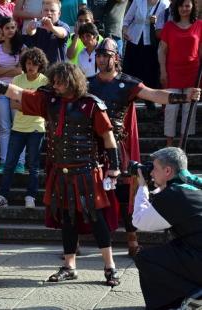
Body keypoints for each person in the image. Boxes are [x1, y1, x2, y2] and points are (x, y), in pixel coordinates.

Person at [0, 62, 121, 286]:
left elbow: (108, 137)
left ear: (72, 81)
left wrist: (114, 166)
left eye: (60, 82)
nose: (56, 85)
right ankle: (69, 266)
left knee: (96, 219)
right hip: (61, 172)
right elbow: (20, 93)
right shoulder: (50, 101)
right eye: (54, 81)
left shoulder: (91, 105)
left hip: (86, 171)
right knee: (67, 219)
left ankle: (110, 266)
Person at [88, 37, 201, 257]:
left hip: (117, 147)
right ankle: (89, 243)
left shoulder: (128, 83)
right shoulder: (87, 83)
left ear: (116, 58)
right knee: (91, 192)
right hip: (91, 146)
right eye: (99, 55)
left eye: (106, 55)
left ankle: (132, 238)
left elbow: (154, 94)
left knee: (122, 192)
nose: (101, 59)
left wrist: (184, 97)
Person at [132, 147, 202, 309]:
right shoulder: (192, 186)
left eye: (155, 169)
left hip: (198, 259)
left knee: (145, 257)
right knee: (172, 248)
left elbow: (139, 221)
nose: (151, 173)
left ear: (168, 170)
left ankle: (194, 293)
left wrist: (142, 185)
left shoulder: (174, 195)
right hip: (196, 252)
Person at [0, 47, 48, 209]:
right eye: (28, 63)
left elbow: (41, 106)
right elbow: (13, 104)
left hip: (37, 128)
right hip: (19, 127)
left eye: (35, 64)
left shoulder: (44, 81)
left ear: (40, 65)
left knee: (33, 166)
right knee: (9, 164)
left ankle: (31, 196)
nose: (31, 67)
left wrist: (25, 104)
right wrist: (31, 105)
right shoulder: (17, 79)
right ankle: (2, 196)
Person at [158, 0, 201, 147]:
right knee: (171, 108)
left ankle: (182, 146)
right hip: (172, 72)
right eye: (181, 6)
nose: (184, 9)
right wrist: (163, 71)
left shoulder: (199, 25)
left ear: (192, 7)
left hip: (193, 73)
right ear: (177, 8)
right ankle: (169, 146)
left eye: (187, 6)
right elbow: (162, 51)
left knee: (189, 110)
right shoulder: (169, 26)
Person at [0, 17, 24, 174]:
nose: (10, 30)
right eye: (7, 28)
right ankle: (4, 162)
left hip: (17, 90)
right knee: (4, 128)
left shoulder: (22, 48)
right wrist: (11, 69)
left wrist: (3, 70)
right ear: (2, 30)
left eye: (13, 27)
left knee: (19, 127)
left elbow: (20, 70)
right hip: (0, 91)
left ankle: (20, 163)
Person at [122, 0, 169, 110]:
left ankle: (150, 100)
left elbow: (167, 25)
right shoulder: (138, 1)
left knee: (150, 71)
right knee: (132, 70)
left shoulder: (165, 4)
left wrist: (157, 22)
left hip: (152, 42)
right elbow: (127, 20)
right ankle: (129, 99)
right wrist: (125, 30)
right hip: (134, 40)